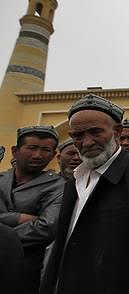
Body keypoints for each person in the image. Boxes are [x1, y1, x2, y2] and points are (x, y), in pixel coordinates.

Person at [40, 94, 129, 294]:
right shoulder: (74, 181)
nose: (86, 142)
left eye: (96, 132)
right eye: (78, 136)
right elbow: (62, 247)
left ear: (117, 131)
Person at [0, 125, 65, 293]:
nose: (38, 155)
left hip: (24, 272)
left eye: (45, 150)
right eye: (32, 148)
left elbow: (47, 227)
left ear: (53, 154)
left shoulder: (59, 186)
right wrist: (17, 218)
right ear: (15, 150)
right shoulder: (1, 179)